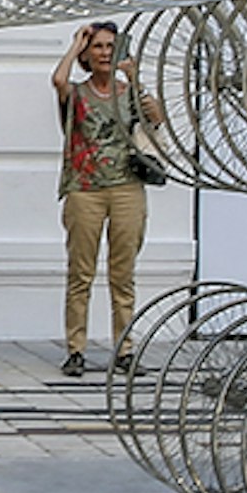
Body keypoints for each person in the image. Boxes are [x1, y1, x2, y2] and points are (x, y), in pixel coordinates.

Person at [51, 21, 166, 378]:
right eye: (97, 47)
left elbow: (157, 117)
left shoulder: (127, 91)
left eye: (109, 47)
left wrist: (135, 78)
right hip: (84, 187)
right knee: (80, 272)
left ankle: (125, 349)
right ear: (87, 54)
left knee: (123, 273)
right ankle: (76, 349)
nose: (103, 53)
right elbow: (58, 81)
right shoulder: (78, 93)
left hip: (127, 187)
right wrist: (75, 45)